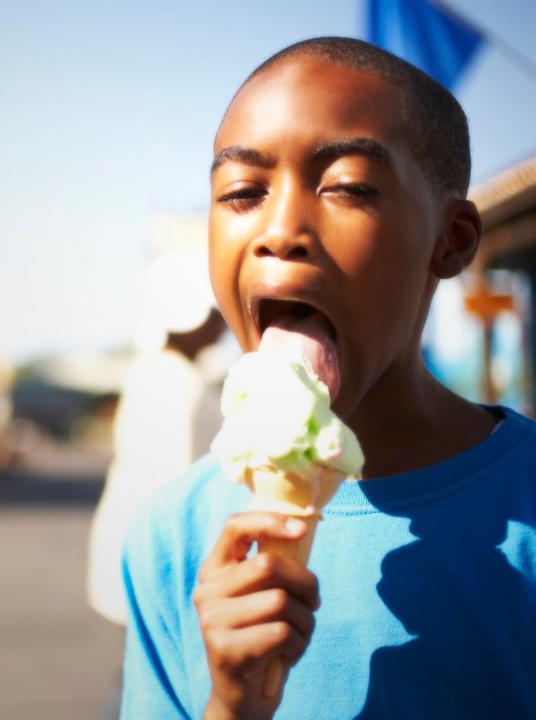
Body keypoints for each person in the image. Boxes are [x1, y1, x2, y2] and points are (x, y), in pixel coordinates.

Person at [120, 37, 536, 719]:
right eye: (242, 192)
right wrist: (232, 705)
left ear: (452, 239)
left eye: (344, 186)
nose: (280, 230)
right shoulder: (174, 535)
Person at [88, 242, 231, 627]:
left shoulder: (151, 370)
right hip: (158, 556)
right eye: (214, 313)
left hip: (133, 540)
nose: (222, 324)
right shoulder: (179, 386)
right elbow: (180, 489)